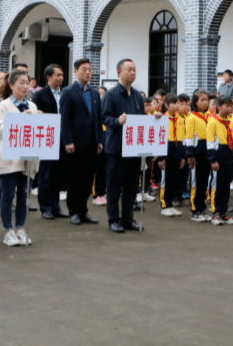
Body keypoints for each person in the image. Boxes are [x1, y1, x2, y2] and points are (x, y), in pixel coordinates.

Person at [100, 58, 152, 234]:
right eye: (129, 69)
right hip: (116, 147)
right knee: (114, 186)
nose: (132, 73)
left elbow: (141, 119)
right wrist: (117, 121)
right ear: (119, 72)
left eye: (135, 70)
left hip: (134, 147)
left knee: (131, 186)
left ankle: (128, 219)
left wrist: (155, 118)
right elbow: (104, 118)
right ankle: (113, 219)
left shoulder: (137, 95)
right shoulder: (111, 94)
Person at [0, 70, 38, 246]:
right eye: (21, 82)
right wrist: (20, 118)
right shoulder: (3, 106)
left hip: (27, 158)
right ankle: (8, 230)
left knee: (24, 194)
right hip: (9, 158)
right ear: (11, 85)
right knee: (8, 194)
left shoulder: (32, 106)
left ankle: (20, 228)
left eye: (27, 82)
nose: (25, 86)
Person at [60, 58, 103, 225]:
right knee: (75, 179)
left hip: (92, 142)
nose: (87, 72)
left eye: (89, 70)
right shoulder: (68, 92)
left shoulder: (93, 93)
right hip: (75, 144)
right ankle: (73, 212)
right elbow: (65, 119)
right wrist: (68, 141)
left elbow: (97, 119)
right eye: (84, 69)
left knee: (87, 179)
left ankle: (84, 210)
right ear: (76, 71)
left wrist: (99, 140)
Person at [33, 64, 68, 220]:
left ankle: (56, 207)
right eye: (58, 75)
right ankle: (45, 207)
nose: (61, 78)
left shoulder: (65, 93)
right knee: (45, 175)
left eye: (62, 75)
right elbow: (34, 115)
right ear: (48, 77)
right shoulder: (40, 95)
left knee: (58, 175)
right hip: (47, 138)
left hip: (62, 138)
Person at [207, 95, 233, 226]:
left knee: (226, 187)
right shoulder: (213, 122)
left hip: (229, 158)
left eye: (231, 106)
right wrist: (213, 160)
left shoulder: (231, 121)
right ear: (219, 107)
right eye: (227, 105)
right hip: (218, 159)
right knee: (217, 186)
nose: (230, 108)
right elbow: (210, 142)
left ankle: (224, 212)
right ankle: (215, 213)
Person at [184, 90, 211, 223]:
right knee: (196, 183)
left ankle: (202, 209)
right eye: (202, 100)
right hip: (196, 154)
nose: (205, 103)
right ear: (195, 102)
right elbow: (189, 137)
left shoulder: (208, 117)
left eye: (206, 100)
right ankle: (195, 210)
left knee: (204, 183)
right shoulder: (192, 117)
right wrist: (190, 155)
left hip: (207, 154)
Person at [158, 96, 185, 217]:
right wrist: (160, 157)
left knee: (174, 180)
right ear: (167, 105)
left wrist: (183, 156)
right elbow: (159, 138)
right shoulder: (162, 118)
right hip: (166, 153)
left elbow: (183, 138)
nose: (176, 105)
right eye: (173, 103)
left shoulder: (180, 119)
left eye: (178, 103)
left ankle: (171, 204)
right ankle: (165, 205)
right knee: (166, 180)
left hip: (177, 153)